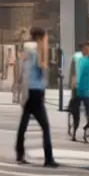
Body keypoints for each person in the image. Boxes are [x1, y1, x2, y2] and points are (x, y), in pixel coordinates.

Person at [14, 27, 58, 168]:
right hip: (35, 92)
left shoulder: (27, 50)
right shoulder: (36, 49)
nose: (46, 40)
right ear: (40, 37)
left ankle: (20, 154)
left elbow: (22, 69)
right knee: (45, 127)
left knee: (24, 124)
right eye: (45, 37)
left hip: (29, 92)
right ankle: (48, 158)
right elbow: (41, 65)